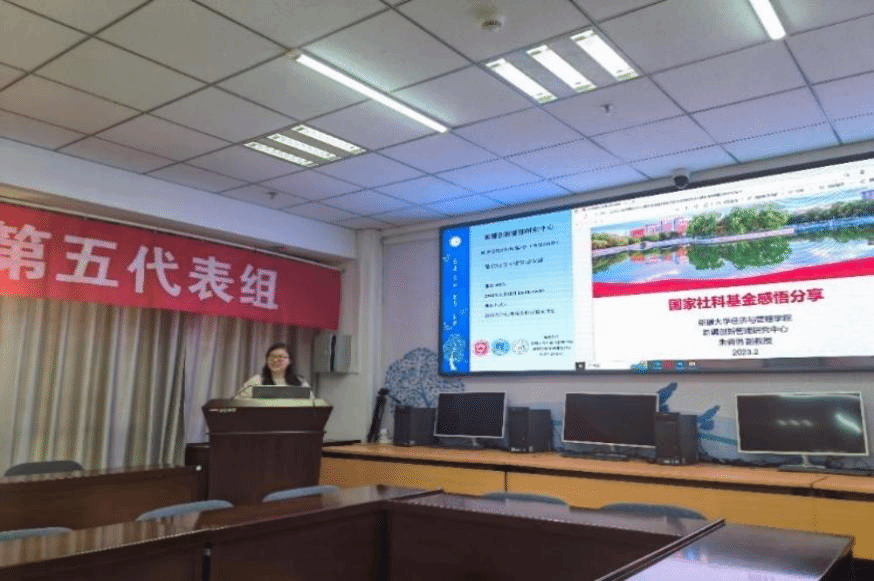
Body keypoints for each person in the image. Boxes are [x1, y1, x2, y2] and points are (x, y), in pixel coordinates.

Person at [235, 342, 310, 399]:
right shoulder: (256, 381)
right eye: (272, 356)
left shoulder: (300, 382)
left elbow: (311, 404)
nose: (275, 360)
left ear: (290, 361)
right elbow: (238, 402)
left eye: (280, 357)